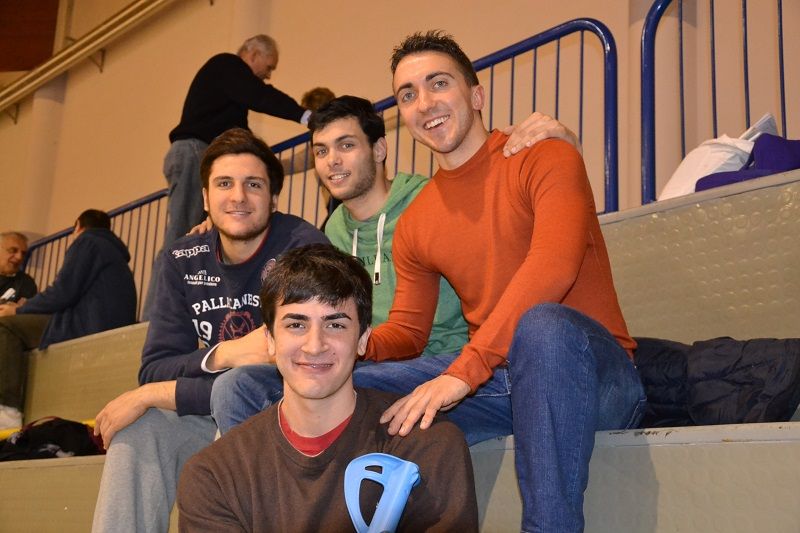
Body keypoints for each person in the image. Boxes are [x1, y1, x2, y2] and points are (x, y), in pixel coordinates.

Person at [344, 31, 645, 532]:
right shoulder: (417, 221)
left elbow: (553, 266)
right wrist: (351, 341)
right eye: (408, 94)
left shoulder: (545, 155)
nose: (425, 103)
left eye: (439, 83)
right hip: (501, 384)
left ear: (476, 95)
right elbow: (410, 332)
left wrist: (464, 372)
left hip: (592, 380)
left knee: (542, 326)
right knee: (327, 380)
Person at [210, 95, 581, 434]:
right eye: (321, 151)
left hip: (443, 358)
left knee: (338, 389)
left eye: (346, 145)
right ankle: (270, 483)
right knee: (238, 386)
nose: (332, 160)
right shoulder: (333, 230)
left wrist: (565, 143)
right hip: (371, 360)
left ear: (379, 149)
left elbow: (510, 211)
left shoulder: (430, 200)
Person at [91, 128, 328, 533]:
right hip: (214, 410)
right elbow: (155, 368)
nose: (238, 197)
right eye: (224, 184)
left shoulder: (303, 248)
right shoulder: (182, 258)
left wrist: (155, 394)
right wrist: (225, 354)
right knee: (141, 428)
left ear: (273, 198)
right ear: (204, 198)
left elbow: (297, 372)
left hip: (283, 416)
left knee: (226, 394)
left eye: (253, 184)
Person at [178, 243, 478, 532]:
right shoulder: (214, 474)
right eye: (296, 325)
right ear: (269, 340)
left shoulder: (425, 446)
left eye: (335, 325)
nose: (315, 346)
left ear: (363, 340)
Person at [164, 34, 313, 249]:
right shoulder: (227, 64)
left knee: (198, 236)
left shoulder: (230, 93)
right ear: (254, 55)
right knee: (182, 233)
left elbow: (241, 136)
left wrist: (264, 162)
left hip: (197, 154)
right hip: (193, 151)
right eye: (269, 67)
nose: (268, 75)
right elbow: (261, 95)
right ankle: (167, 272)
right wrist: (305, 116)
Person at [0, 211, 137, 430]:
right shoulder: (112, 251)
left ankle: (7, 411)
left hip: (85, 325)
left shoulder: (87, 241)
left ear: (77, 226)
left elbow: (62, 292)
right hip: (103, 324)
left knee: (6, 326)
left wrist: (19, 310)